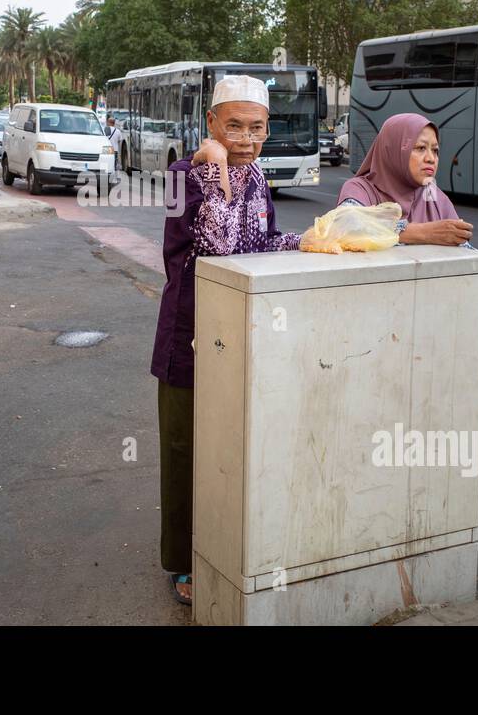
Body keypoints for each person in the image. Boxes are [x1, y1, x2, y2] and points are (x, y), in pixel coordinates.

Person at [150, 75, 304, 608]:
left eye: (256, 127)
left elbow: (260, 242)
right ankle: (183, 560)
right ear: (211, 124)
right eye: (233, 126)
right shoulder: (180, 177)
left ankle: (226, 546)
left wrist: (312, 242)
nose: (245, 138)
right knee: (185, 449)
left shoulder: (258, 178)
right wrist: (214, 172)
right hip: (188, 337)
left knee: (231, 449)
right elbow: (219, 245)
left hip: (239, 334)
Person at [337, 113, 474, 247]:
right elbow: (347, 227)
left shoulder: (435, 198)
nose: (431, 158)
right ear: (392, 150)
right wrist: (425, 233)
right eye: (421, 148)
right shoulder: (360, 190)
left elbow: (466, 253)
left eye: (435, 150)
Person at [104, 115, 124, 180]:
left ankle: (106, 176)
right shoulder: (118, 131)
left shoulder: (105, 129)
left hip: (107, 149)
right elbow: (120, 140)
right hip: (115, 149)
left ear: (108, 122)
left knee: (106, 162)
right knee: (114, 164)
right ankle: (115, 177)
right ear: (114, 123)